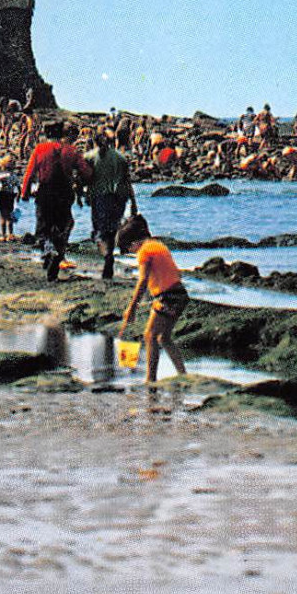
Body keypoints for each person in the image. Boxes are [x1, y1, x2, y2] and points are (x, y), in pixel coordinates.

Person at [115, 214, 189, 398]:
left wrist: (131, 308)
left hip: (168, 297)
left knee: (149, 335)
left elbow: (142, 281)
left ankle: (150, 379)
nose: (131, 253)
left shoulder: (144, 252)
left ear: (133, 243)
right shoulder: (157, 245)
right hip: (179, 294)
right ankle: (183, 374)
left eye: (128, 249)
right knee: (163, 337)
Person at [20, 119, 90, 281]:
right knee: (61, 225)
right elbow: (85, 171)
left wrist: (24, 192)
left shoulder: (40, 149)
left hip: (45, 190)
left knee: (43, 226)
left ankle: (48, 252)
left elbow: (29, 173)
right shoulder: (71, 150)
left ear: (47, 134)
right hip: (64, 192)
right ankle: (56, 255)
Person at [85, 128, 137, 279]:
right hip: (119, 198)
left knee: (99, 233)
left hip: (100, 197)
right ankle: (110, 255)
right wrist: (134, 203)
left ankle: (107, 256)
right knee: (112, 231)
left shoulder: (90, 156)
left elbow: (82, 176)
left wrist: (80, 194)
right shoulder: (121, 158)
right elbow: (127, 181)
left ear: (94, 142)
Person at [0, 156, 19, 241]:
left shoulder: (4, 175)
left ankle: (3, 235)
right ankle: (11, 234)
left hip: (3, 195)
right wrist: (18, 197)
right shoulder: (14, 176)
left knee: (2, 216)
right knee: (10, 216)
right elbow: (19, 187)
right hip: (11, 195)